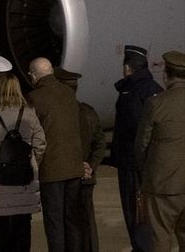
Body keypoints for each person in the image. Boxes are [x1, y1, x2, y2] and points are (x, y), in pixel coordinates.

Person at [0, 74, 47, 252]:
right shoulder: (29, 113)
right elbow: (40, 144)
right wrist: (30, 163)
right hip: (23, 183)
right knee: (22, 234)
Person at [28, 57, 87, 252]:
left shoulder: (35, 98)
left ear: (35, 75)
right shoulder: (69, 94)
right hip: (73, 167)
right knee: (73, 220)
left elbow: (30, 134)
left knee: (54, 222)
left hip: (51, 169)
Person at [111, 44, 162, 252]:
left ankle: (140, 247)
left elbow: (133, 125)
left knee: (135, 209)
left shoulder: (132, 91)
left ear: (127, 67)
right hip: (147, 161)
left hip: (132, 161)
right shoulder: (154, 89)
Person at [135, 50, 185, 252]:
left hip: (163, 186)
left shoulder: (156, 103)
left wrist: (146, 175)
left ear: (166, 75)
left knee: (160, 238)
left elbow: (141, 146)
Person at [54, 68, 106, 252]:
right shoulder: (88, 112)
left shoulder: (59, 116)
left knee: (69, 223)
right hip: (86, 177)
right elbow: (100, 144)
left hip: (67, 177)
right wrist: (90, 167)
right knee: (87, 220)